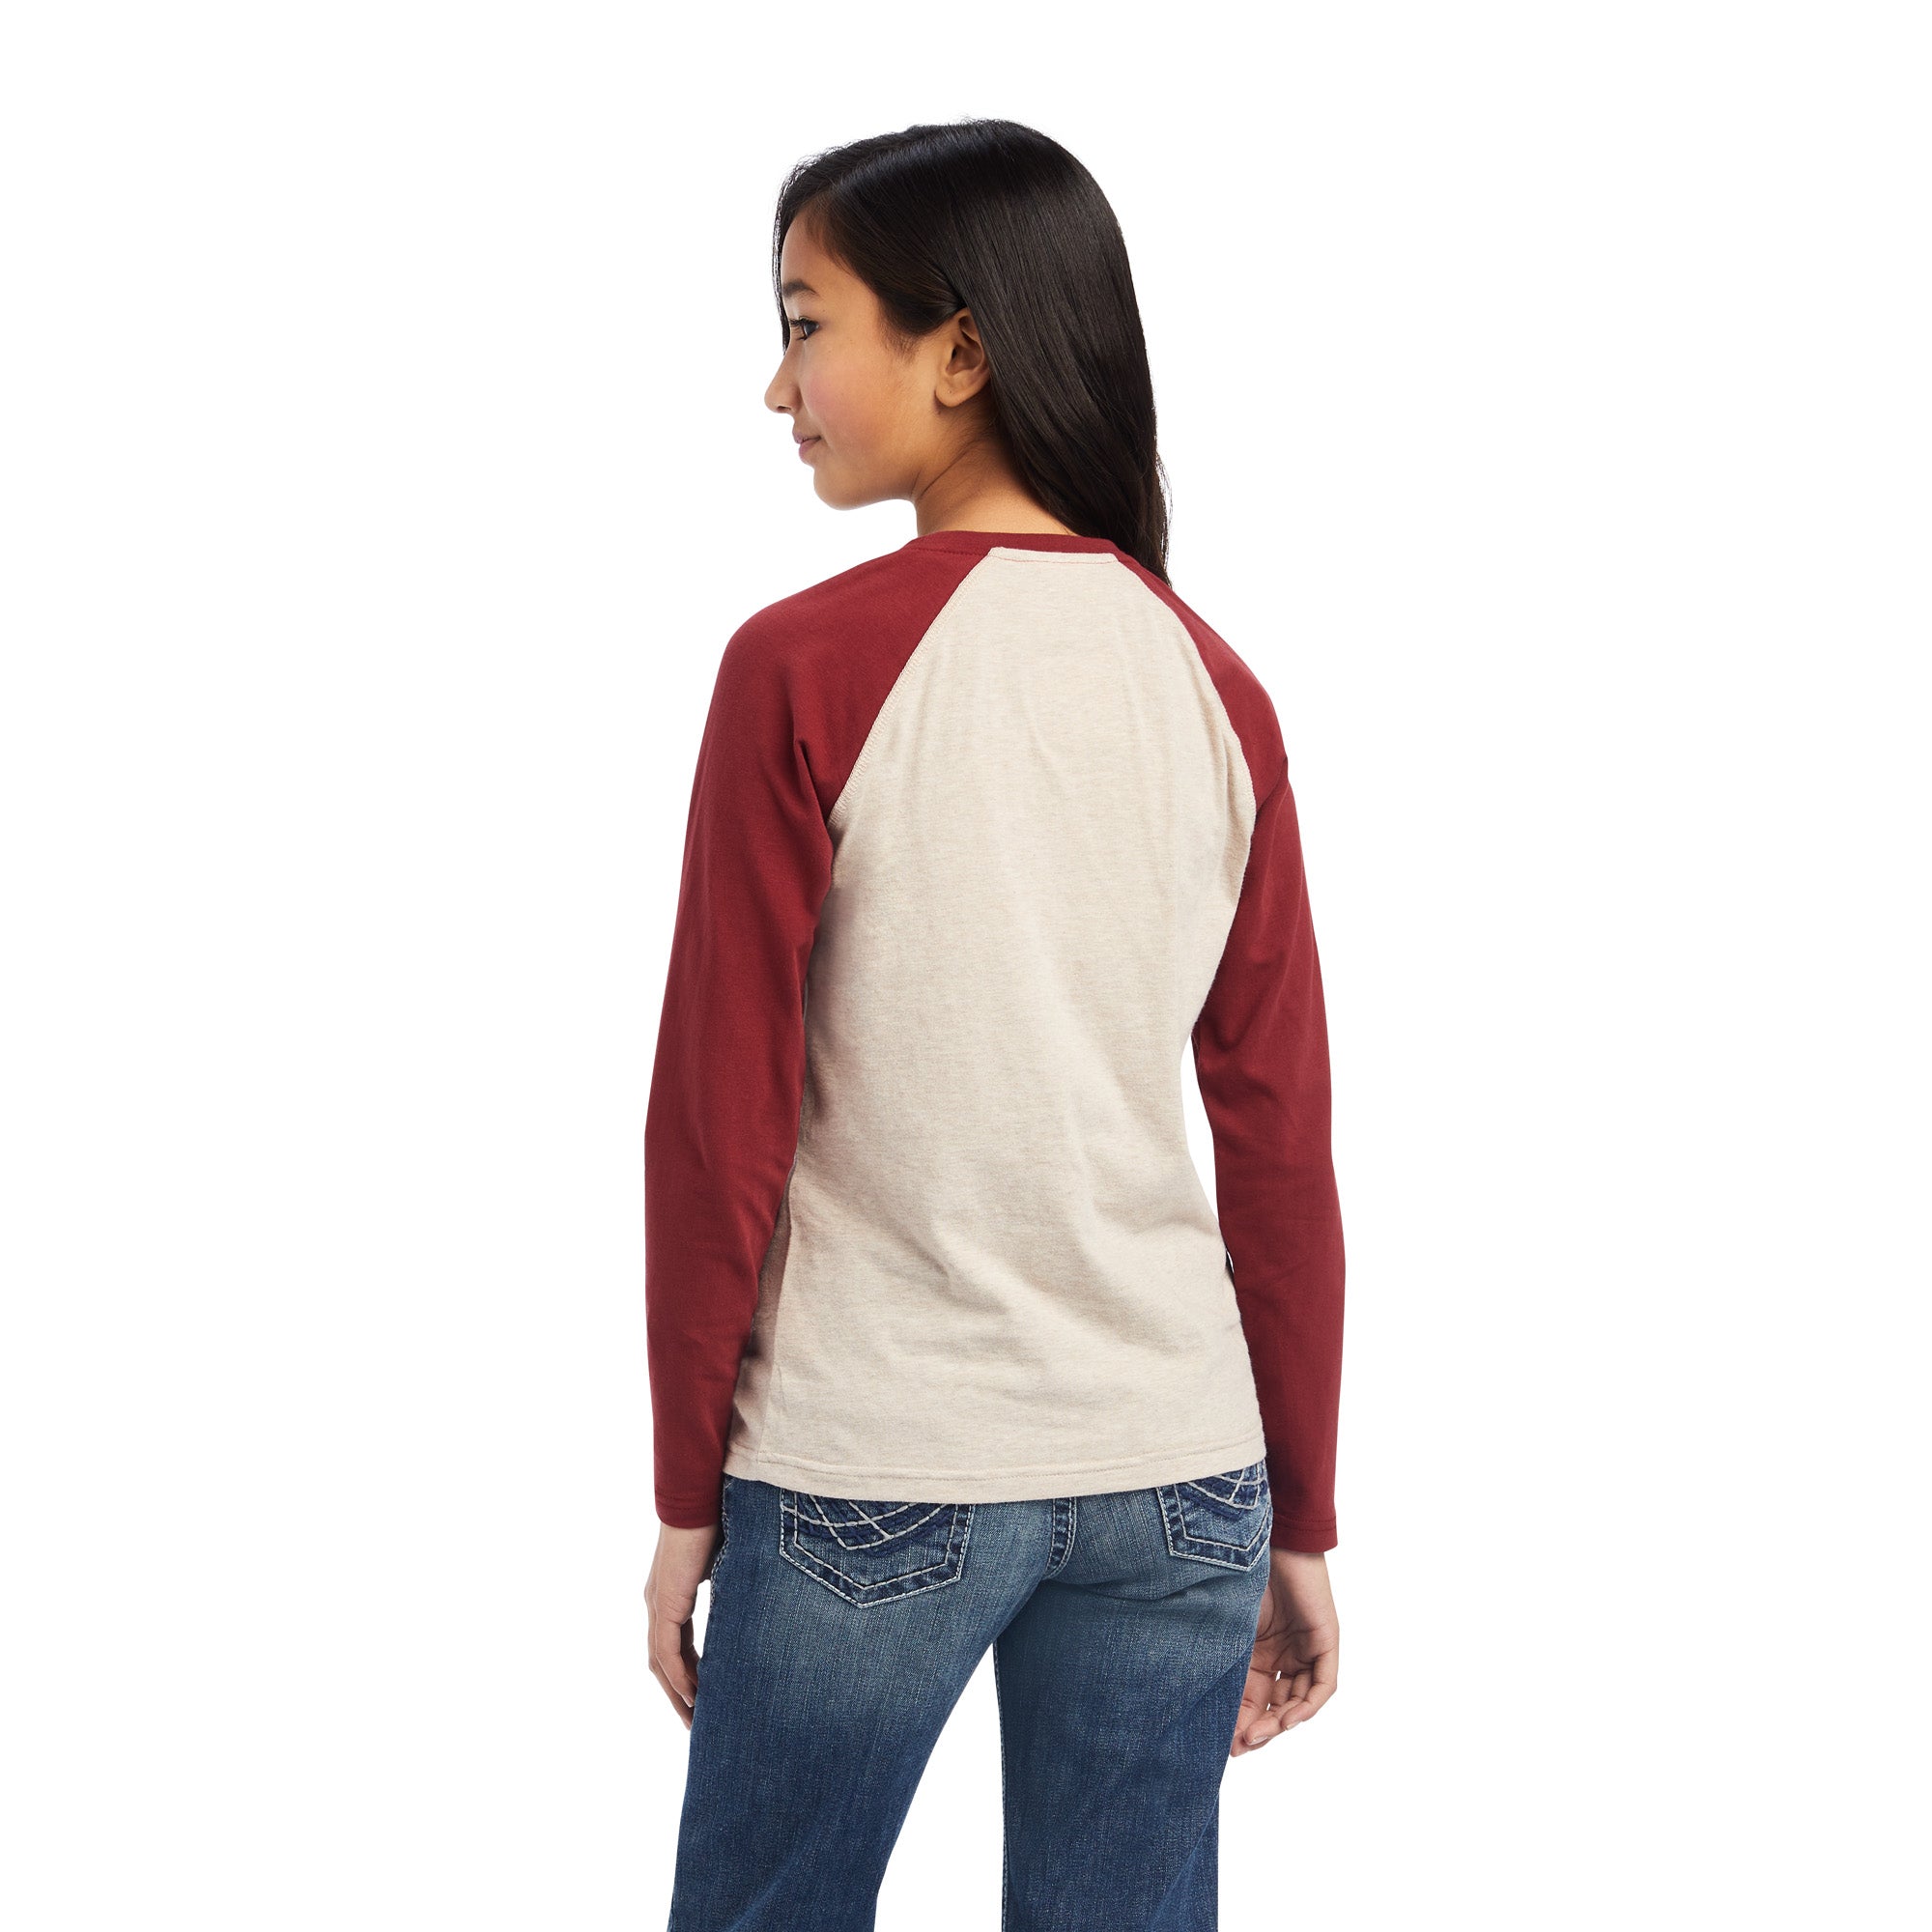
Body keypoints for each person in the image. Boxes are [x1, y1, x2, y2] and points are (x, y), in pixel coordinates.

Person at [642, 118, 1346, 1930]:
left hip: (877, 1454)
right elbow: (1279, 1139)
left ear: (958, 352)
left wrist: (684, 1490)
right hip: (1181, 1470)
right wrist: (1302, 1513)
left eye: (808, 324)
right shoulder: (1216, 686)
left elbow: (720, 1119)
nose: (777, 384)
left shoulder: (804, 666)